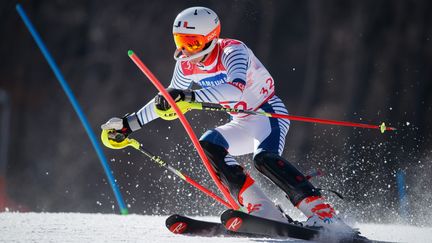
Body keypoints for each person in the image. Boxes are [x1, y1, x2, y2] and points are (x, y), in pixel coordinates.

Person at [102, 6, 351, 231]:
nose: (185, 49)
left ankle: (323, 213)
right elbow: (168, 99)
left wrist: (187, 95)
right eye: (180, 41)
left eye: (192, 41)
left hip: (267, 114)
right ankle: (262, 209)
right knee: (208, 144)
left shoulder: (233, 51)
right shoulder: (186, 64)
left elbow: (235, 89)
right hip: (241, 119)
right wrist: (128, 124)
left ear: (210, 38)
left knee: (264, 160)